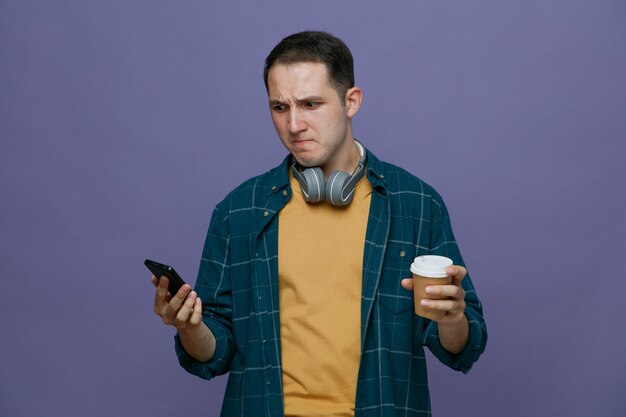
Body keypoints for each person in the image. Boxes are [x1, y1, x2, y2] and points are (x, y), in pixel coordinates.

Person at [151, 30, 487, 417]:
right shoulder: (238, 211)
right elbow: (215, 353)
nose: (294, 125)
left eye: (310, 104)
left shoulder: (417, 204)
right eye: (280, 107)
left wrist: (453, 318)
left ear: (351, 102)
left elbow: (463, 348)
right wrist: (189, 327)